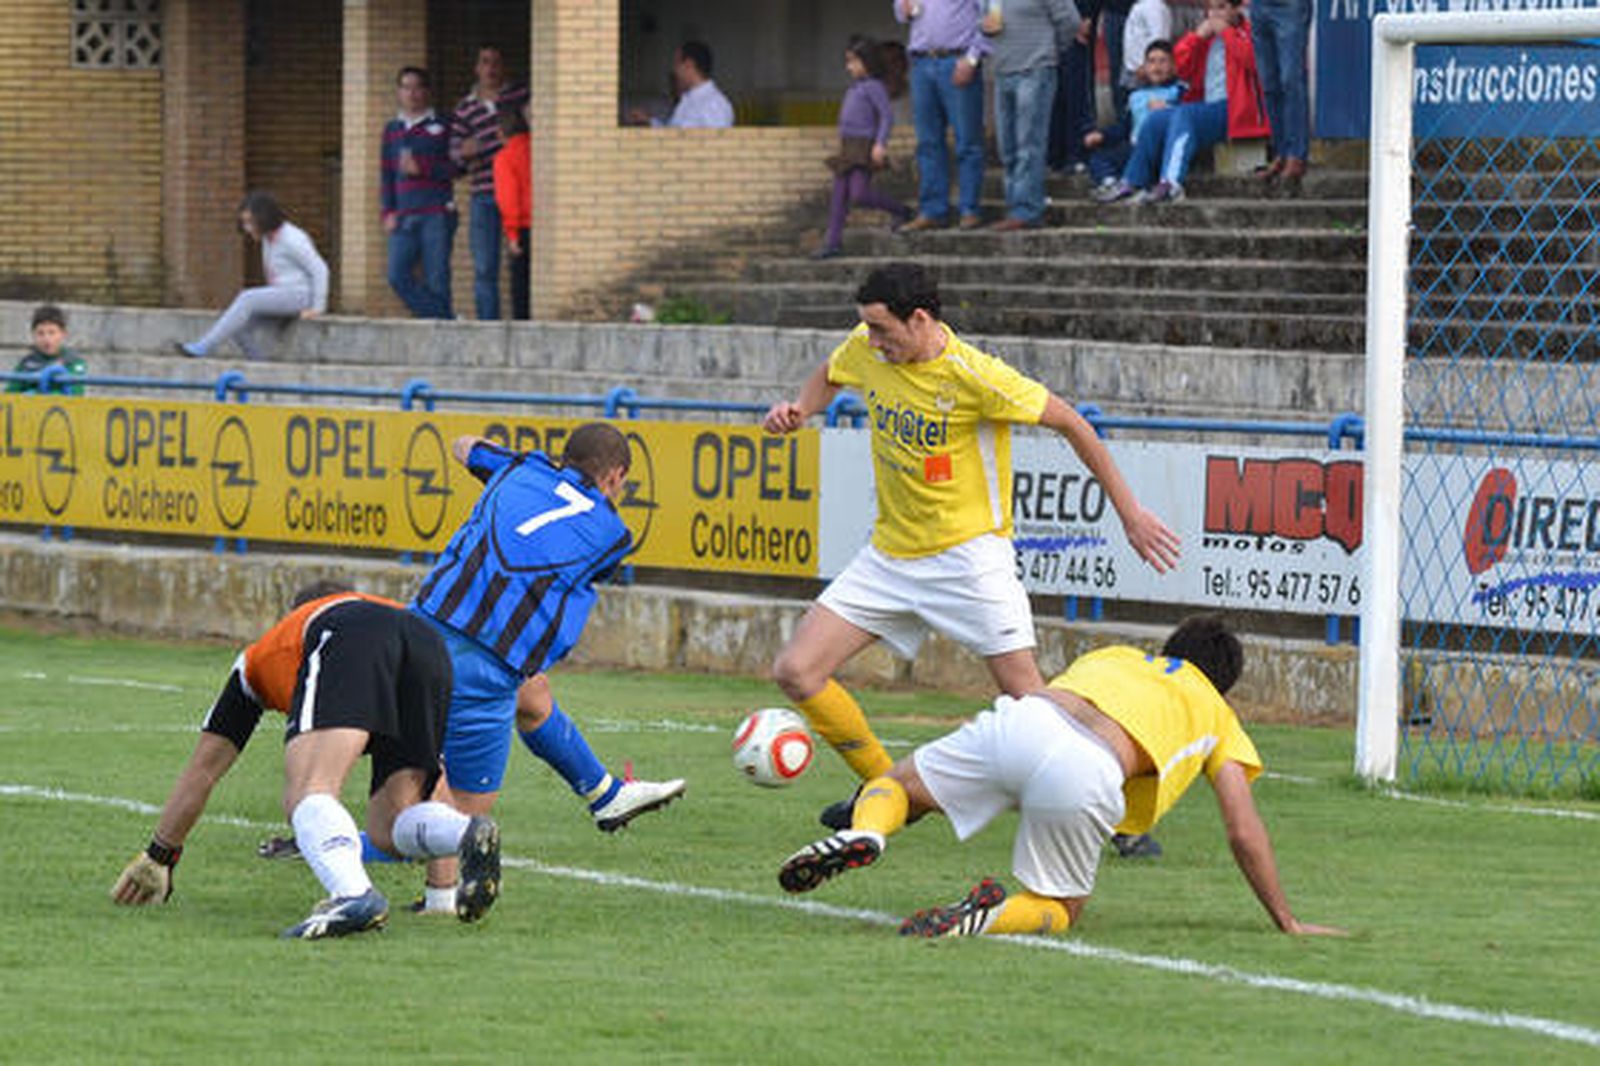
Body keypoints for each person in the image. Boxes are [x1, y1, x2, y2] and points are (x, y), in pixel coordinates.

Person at [761, 262, 1180, 831]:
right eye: (868, 328)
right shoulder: (867, 346)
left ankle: (1116, 820)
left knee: (1032, 706)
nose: (872, 341)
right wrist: (801, 409)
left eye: (882, 329)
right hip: (890, 554)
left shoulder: (976, 376)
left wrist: (1130, 514)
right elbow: (832, 372)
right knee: (797, 670)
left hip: (969, 560)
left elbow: (1073, 425)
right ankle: (889, 792)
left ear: (920, 319)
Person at [777, 615, 1348, 941]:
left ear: (1169, 649)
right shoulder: (1216, 713)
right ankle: (986, 918)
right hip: (1091, 767)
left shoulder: (1117, 655)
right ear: (1223, 684)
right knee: (1060, 906)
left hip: (1027, 720)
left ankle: (867, 831)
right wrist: (1286, 918)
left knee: (900, 786)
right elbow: (1243, 830)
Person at [109, 583, 501, 939]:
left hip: (349, 635)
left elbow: (204, 769)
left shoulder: (266, 653)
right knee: (390, 825)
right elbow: (436, 783)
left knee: (308, 790)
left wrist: (160, 855)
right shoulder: (381, 616)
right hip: (428, 642)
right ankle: (464, 833)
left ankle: (352, 895)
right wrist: (441, 896)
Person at [407, 423, 686, 912]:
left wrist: (511, 467)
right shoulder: (613, 534)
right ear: (615, 477)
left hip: (416, 633)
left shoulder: (518, 467)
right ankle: (335, 847)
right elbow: (577, 560)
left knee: (534, 699)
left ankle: (605, 795)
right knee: (464, 816)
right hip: (487, 663)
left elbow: (463, 445)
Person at [1095, 0, 1268, 204]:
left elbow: (1255, 62)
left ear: (1237, 9)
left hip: (1238, 110)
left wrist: (1227, 33)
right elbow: (1178, 66)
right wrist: (1196, 38)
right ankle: (1132, 181)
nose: (1214, 14)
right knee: (1156, 119)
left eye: (1221, 7)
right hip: (1208, 107)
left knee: (1184, 114)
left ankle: (1170, 184)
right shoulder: (1208, 38)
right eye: (1211, 8)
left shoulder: (1250, 30)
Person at [175, 192, 328, 360]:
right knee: (239, 327)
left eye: (251, 222)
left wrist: (317, 308)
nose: (247, 228)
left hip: (301, 295)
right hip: (283, 295)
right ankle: (259, 364)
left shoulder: (292, 239)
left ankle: (203, 347)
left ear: (265, 218)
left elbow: (320, 269)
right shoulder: (268, 238)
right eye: (245, 223)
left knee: (247, 297)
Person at [450, 45, 530, 321]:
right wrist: (464, 154)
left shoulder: (520, 97)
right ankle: (489, 327)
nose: (491, 68)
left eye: (496, 62)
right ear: (477, 68)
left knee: (522, 262)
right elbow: (454, 156)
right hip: (484, 194)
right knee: (485, 267)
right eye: (485, 62)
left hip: (520, 195)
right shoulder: (465, 108)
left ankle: (524, 323)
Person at [895, 0, 989, 231]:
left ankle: (969, 209)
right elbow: (900, 13)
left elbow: (990, 16)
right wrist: (903, 8)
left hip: (957, 59)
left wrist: (972, 58)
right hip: (921, 61)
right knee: (927, 142)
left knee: (967, 140)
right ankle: (932, 210)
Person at [815, 36, 911, 260]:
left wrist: (880, 144)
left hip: (863, 146)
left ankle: (902, 210)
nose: (848, 67)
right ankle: (832, 243)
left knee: (859, 193)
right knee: (838, 197)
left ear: (867, 62)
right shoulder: (855, 87)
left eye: (853, 61)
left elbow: (886, 117)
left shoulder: (874, 87)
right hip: (848, 146)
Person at [987, 0, 1080, 231]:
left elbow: (1070, 22)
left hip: (1035, 69)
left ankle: (1026, 210)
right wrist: (984, 26)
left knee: (1028, 144)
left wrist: (1049, 50)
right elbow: (982, 20)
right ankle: (1015, 207)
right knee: (1007, 147)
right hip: (1002, 71)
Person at [382, 66, 458, 320]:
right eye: (406, 87)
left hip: (436, 212)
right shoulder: (392, 129)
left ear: (426, 91)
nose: (412, 93)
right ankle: (446, 320)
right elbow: (387, 173)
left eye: (417, 87)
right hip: (403, 216)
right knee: (396, 275)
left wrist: (423, 168)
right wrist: (388, 211)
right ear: (399, 92)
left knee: (437, 278)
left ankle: (441, 330)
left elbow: (458, 167)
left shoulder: (443, 125)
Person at [1086, 39, 1184, 195]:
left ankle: (1133, 182)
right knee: (1099, 158)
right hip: (1133, 147)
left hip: (1159, 150)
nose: (1157, 67)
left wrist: (1168, 108)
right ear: (1144, 67)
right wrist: (1102, 135)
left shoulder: (1178, 91)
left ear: (1173, 66)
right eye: (1151, 62)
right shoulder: (1136, 96)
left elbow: (1187, 119)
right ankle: (1110, 183)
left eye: (1163, 61)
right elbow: (1124, 127)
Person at [1251, 0, 1312, 189]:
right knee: (1269, 84)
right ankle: (1281, 152)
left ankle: (1296, 155)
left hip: (1289, 5)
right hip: (1259, 6)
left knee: (1290, 80)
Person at [492, 103, 532, 320]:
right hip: (545, 225)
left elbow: (508, 199)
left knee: (521, 287)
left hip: (523, 226)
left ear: (501, 132)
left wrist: (512, 234)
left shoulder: (505, 157)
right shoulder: (538, 149)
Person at [8, 304, 86, 395]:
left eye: (52, 333)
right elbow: (10, 393)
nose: (46, 339)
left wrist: (36, 395)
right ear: (33, 335)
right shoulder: (26, 363)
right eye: (40, 333)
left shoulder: (74, 362)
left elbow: (76, 392)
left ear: (63, 334)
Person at [658, 41, 734, 128]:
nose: (674, 70)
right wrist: (650, 122)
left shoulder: (714, 105)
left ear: (689, 64)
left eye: (676, 64)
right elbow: (673, 131)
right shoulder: (688, 99)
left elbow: (717, 136)